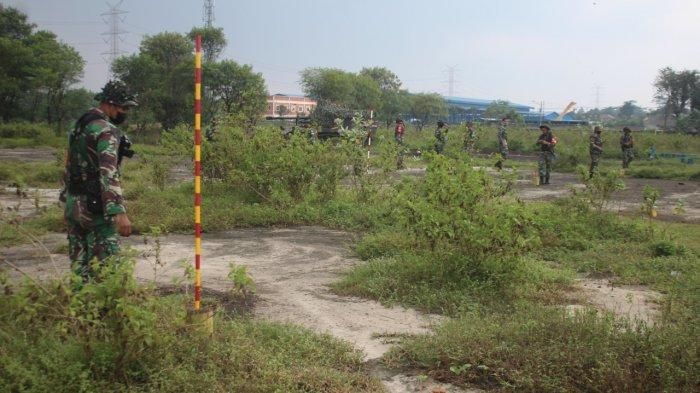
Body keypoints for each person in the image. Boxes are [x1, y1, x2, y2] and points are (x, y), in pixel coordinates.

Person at [61, 80, 137, 282]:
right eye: (124, 107)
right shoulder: (106, 130)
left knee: (79, 267)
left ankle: (79, 310)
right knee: (106, 270)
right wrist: (118, 212)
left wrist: (68, 201)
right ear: (111, 104)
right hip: (96, 209)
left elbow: (68, 164)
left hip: (74, 203)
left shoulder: (79, 125)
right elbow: (108, 172)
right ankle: (104, 311)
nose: (125, 112)